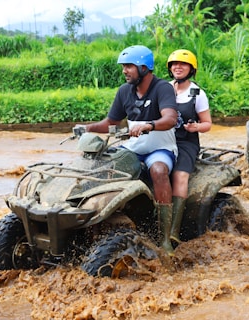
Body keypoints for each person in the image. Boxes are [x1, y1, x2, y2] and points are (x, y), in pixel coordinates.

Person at [81, 45, 178, 255]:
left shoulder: (163, 88)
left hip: (159, 148)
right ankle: (94, 227)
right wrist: (89, 128)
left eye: (129, 66)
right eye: (123, 66)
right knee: (105, 168)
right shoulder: (124, 91)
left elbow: (170, 118)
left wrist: (149, 125)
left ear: (144, 67)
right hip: (131, 148)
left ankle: (164, 239)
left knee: (159, 171)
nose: (124, 70)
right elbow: (110, 122)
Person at [166, 49, 212, 244]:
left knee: (180, 175)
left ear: (191, 69)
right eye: (174, 64)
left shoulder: (198, 94)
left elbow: (208, 124)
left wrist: (196, 127)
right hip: (163, 139)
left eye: (183, 64)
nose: (178, 67)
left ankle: (173, 230)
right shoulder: (163, 88)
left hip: (186, 142)